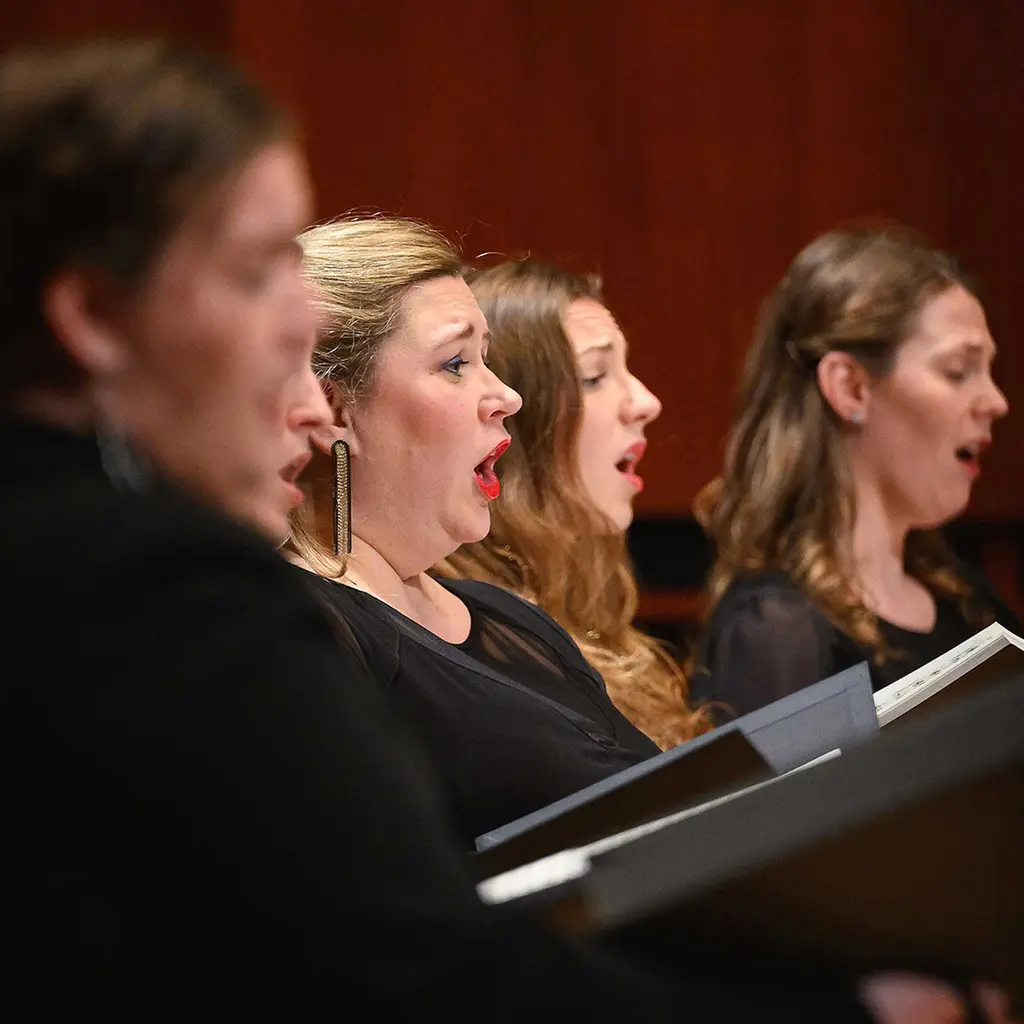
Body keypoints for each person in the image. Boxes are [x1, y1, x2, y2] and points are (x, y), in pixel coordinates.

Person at [1, 39, 1005, 1023]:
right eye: (257, 273)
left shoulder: (481, 612)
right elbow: (413, 966)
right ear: (92, 310)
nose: (293, 364)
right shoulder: (147, 580)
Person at [288, 218, 663, 845]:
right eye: (456, 363)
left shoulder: (508, 618)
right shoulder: (315, 633)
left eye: (486, 359)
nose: (506, 397)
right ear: (336, 410)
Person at [691, 227, 1020, 720]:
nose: (997, 403)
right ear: (850, 388)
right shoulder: (775, 631)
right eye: (958, 370)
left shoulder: (968, 598)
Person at [437, 260, 709, 750]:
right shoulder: (479, 641)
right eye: (594, 377)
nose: (647, 402)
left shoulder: (588, 603)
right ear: (512, 417)